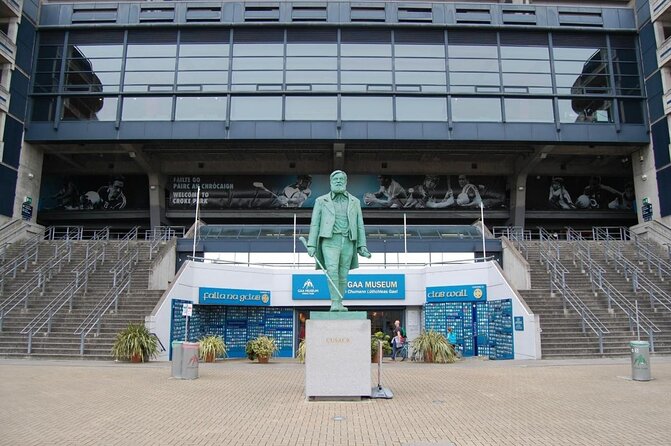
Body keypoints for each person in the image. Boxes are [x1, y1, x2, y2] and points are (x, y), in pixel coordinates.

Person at [306, 170, 371, 312]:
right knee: (332, 270)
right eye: (335, 179)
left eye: (341, 179)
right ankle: (334, 302)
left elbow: (360, 224)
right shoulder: (321, 201)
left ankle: (339, 302)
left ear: (346, 182)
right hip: (329, 241)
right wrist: (311, 244)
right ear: (330, 182)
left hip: (348, 241)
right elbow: (315, 224)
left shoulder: (355, 201)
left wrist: (362, 246)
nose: (338, 181)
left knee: (343, 273)